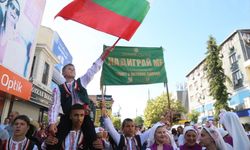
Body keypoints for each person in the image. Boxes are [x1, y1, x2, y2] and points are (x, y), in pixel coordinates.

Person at [48, 50, 111, 149]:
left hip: (84, 117)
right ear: (63, 73)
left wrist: (102, 57)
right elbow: (54, 106)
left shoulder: (81, 81)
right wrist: (52, 123)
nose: (72, 70)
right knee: (54, 142)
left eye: (73, 69)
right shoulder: (58, 89)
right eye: (69, 68)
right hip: (68, 117)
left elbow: (92, 70)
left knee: (94, 143)